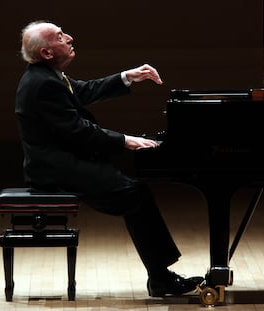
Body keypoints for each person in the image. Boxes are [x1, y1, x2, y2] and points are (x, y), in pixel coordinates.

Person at [14, 20, 203, 297]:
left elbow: (86, 90)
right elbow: (77, 131)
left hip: (62, 161)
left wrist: (128, 76)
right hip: (55, 169)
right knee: (134, 194)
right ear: (47, 53)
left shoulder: (47, 76)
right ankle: (161, 278)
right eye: (59, 36)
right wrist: (125, 141)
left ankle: (160, 276)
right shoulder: (43, 83)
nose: (69, 37)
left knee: (135, 193)